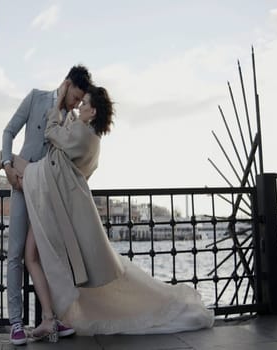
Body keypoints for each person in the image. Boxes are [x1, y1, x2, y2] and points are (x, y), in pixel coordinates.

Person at [21, 86, 216, 336]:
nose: (79, 106)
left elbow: (51, 133)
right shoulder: (93, 142)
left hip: (58, 205)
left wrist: (59, 102)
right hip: (69, 207)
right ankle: (52, 318)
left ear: (92, 111)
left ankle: (48, 318)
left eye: (84, 104)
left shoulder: (81, 134)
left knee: (38, 253)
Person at [0, 65, 91, 344]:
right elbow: (9, 131)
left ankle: (51, 319)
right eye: (74, 97)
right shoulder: (37, 98)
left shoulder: (72, 121)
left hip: (48, 194)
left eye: (79, 101)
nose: (75, 104)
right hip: (22, 184)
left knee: (44, 256)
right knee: (15, 254)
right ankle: (16, 323)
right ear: (66, 84)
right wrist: (7, 168)